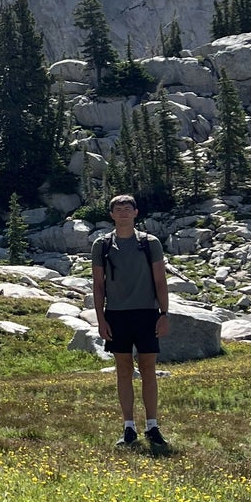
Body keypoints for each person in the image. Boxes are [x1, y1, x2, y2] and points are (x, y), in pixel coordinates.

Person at [91, 193, 172, 455]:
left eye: (128, 208)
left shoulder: (150, 243)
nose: (123, 212)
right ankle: (128, 426)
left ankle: (152, 424)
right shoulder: (101, 245)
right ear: (112, 214)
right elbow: (98, 285)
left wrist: (164, 313)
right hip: (116, 314)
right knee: (123, 369)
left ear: (136, 213)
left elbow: (160, 281)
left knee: (148, 368)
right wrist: (100, 318)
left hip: (147, 312)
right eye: (118, 209)